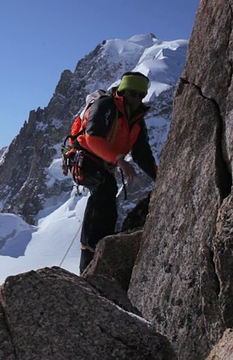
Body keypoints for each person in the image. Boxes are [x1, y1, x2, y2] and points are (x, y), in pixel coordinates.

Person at [72, 71, 158, 274]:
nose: (136, 98)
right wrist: (118, 159)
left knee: (104, 194)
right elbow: (92, 138)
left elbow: (142, 154)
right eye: (131, 93)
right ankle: (95, 245)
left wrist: (159, 176)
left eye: (140, 95)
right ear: (122, 91)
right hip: (84, 159)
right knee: (105, 187)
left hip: (103, 164)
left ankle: (99, 244)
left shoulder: (136, 120)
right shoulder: (106, 105)